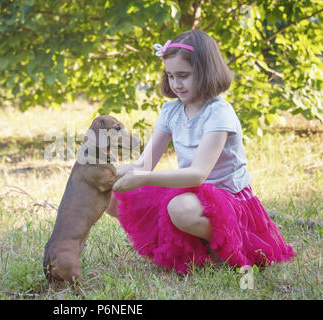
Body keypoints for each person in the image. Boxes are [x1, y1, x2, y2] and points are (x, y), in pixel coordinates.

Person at [107, 29, 294, 274]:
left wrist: (142, 178)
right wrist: (107, 173)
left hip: (229, 201)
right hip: (191, 194)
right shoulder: (171, 111)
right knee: (112, 194)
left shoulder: (218, 112)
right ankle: (193, 244)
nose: (176, 84)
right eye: (171, 76)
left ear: (205, 71)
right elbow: (144, 165)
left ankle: (228, 244)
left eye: (183, 75)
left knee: (180, 208)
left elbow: (197, 174)